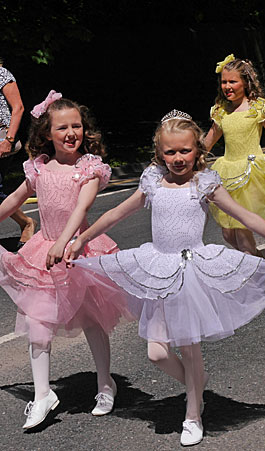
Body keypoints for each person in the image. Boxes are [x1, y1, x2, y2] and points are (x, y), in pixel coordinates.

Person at [67, 111, 265, 447]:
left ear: (198, 150)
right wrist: (80, 239)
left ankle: (193, 413)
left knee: (190, 349)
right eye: (170, 152)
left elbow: (245, 215)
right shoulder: (151, 180)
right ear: (160, 153)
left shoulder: (204, 183)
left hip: (191, 271)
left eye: (185, 151)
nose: (178, 159)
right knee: (156, 353)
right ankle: (197, 383)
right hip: (158, 269)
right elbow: (115, 213)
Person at [0, 92, 133, 430]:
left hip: (81, 251)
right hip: (45, 252)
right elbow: (15, 199)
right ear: (47, 133)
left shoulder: (89, 167)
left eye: (77, 126)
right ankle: (43, 394)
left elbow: (82, 209)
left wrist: (64, 242)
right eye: (63, 127)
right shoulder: (39, 168)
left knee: (92, 320)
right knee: (38, 326)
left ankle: (106, 384)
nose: (72, 132)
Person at [203, 54, 265, 258]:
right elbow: (206, 143)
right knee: (228, 235)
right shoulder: (221, 112)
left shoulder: (258, 108)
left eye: (232, 81)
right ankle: (260, 258)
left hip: (250, 176)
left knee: (242, 231)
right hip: (226, 174)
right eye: (224, 82)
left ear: (245, 82)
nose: (227, 86)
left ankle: (253, 281)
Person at [0, 57, 36, 247]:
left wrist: (9, 140)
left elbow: (18, 108)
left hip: (1, 139)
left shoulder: (2, 74)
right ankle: (25, 222)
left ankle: (27, 222)